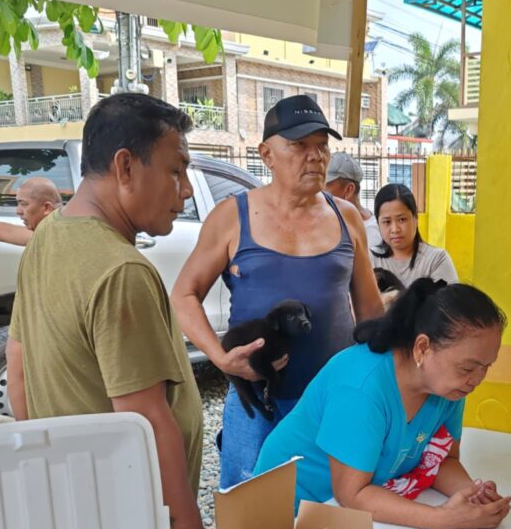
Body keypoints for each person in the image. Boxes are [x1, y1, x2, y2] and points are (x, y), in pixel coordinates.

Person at [6, 93, 215, 529]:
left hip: (79, 508)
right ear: (125, 167)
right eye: (176, 170)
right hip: (134, 528)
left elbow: (18, 364)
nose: (185, 190)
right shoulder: (122, 271)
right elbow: (146, 418)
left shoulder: (47, 234)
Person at [172, 95, 384, 489]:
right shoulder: (232, 216)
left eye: (322, 145)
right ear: (266, 154)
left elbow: (370, 311)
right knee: (250, 506)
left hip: (332, 400)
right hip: (257, 400)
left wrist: (378, 382)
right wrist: (220, 357)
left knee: (325, 504)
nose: (315, 156)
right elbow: (184, 295)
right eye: (299, 145)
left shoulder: (347, 217)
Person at [255, 278, 511, 529]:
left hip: (347, 512)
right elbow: (352, 494)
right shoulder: (361, 389)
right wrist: (442, 518)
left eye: (486, 367)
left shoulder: (449, 388)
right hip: (288, 512)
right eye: (468, 367)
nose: (477, 379)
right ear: (423, 347)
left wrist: (472, 494)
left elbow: (441, 460)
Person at [371, 183, 458, 287]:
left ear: (416, 218)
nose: (395, 229)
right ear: (378, 223)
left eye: (402, 219)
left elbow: (448, 297)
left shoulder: (436, 260)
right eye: (387, 222)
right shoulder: (369, 260)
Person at [325, 152, 381, 250]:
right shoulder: (325, 225)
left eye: (325, 190)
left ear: (349, 190)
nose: (320, 196)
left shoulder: (376, 232)